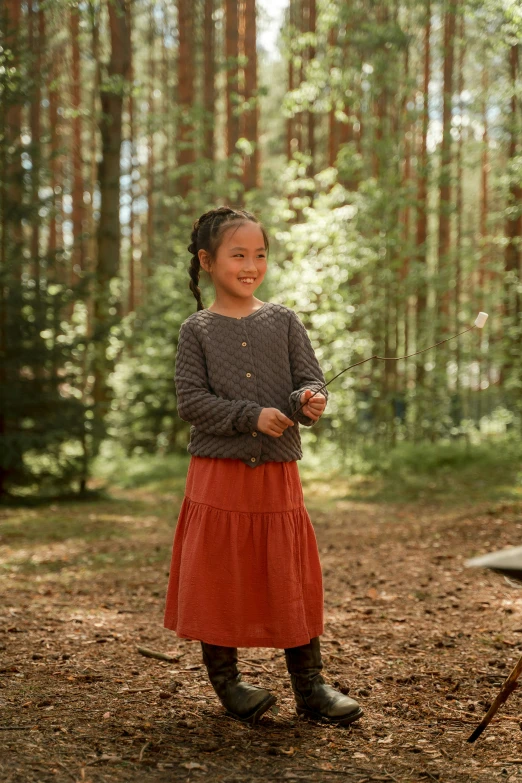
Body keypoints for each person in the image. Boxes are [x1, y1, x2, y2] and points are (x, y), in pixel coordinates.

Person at [163, 205, 363, 728]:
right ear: (208, 261)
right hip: (219, 473)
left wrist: (307, 402)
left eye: (260, 255)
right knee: (219, 571)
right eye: (238, 255)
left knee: (287, 571)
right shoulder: (197, 330)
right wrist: (250, 416)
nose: (251, 265)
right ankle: (227, 682)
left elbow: (310, 380)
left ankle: (311, 686)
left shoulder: (284, 320)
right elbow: (191, 402)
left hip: (276, 474)